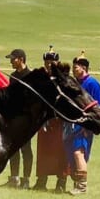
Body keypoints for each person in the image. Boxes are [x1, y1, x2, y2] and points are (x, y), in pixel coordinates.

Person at [65, 54, 100, 195]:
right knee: (72, 154)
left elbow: (98, 107)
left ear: (84, 68)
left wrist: (90, 126)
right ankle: (76, 183)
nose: (73, 70)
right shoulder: (74, 83)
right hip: (72, 124)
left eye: (76, 67)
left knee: (78, 152)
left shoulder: (93, 84)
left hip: (84, 125)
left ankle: (82, 186)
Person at [33, 49, 68, 191]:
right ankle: (41, 181)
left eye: (52, 62)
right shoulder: (40, 78)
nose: (49, 65)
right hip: (44, 120)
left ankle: (61, 182)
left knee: (61, 152)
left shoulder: (63, 79)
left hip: (59, 120)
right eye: (47, 62)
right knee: (43, 151)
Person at [4, 49, 34, 188]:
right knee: (13, 149)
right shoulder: (13, 76)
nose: (11, 61)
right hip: (14, 119)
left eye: (13, 59)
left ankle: (26, 179)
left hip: (26, 119)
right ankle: (14, 178)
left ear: (21, 59)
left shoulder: (31, 76)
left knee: (26, 150)